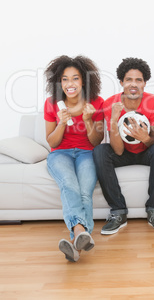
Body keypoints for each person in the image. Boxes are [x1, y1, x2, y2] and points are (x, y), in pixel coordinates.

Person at [93, 57, 154, 234]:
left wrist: (144, 137)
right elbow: (118, 150)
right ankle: (118, 212)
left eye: (138, 80)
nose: (133, 84)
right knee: (99, 151)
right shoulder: (110, 104)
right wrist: (113, 120)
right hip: (123, 153)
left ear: (144, 83)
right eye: (128, 79)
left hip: (146, 151)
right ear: (121, 82)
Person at [44, 55, 104, 262]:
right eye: (65, 79)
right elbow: (52, 142)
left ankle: (76, 246)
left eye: (75, 78)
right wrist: (61, 123)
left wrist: (88, 120)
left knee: (85, 192)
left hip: (87, 152)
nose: (70, 84)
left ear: (84, 80)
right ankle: (80, 234)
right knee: (69, 184)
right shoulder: (52, 104)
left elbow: (97, 141)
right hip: (60, 154)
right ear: (59, 82)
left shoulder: (96, 102)